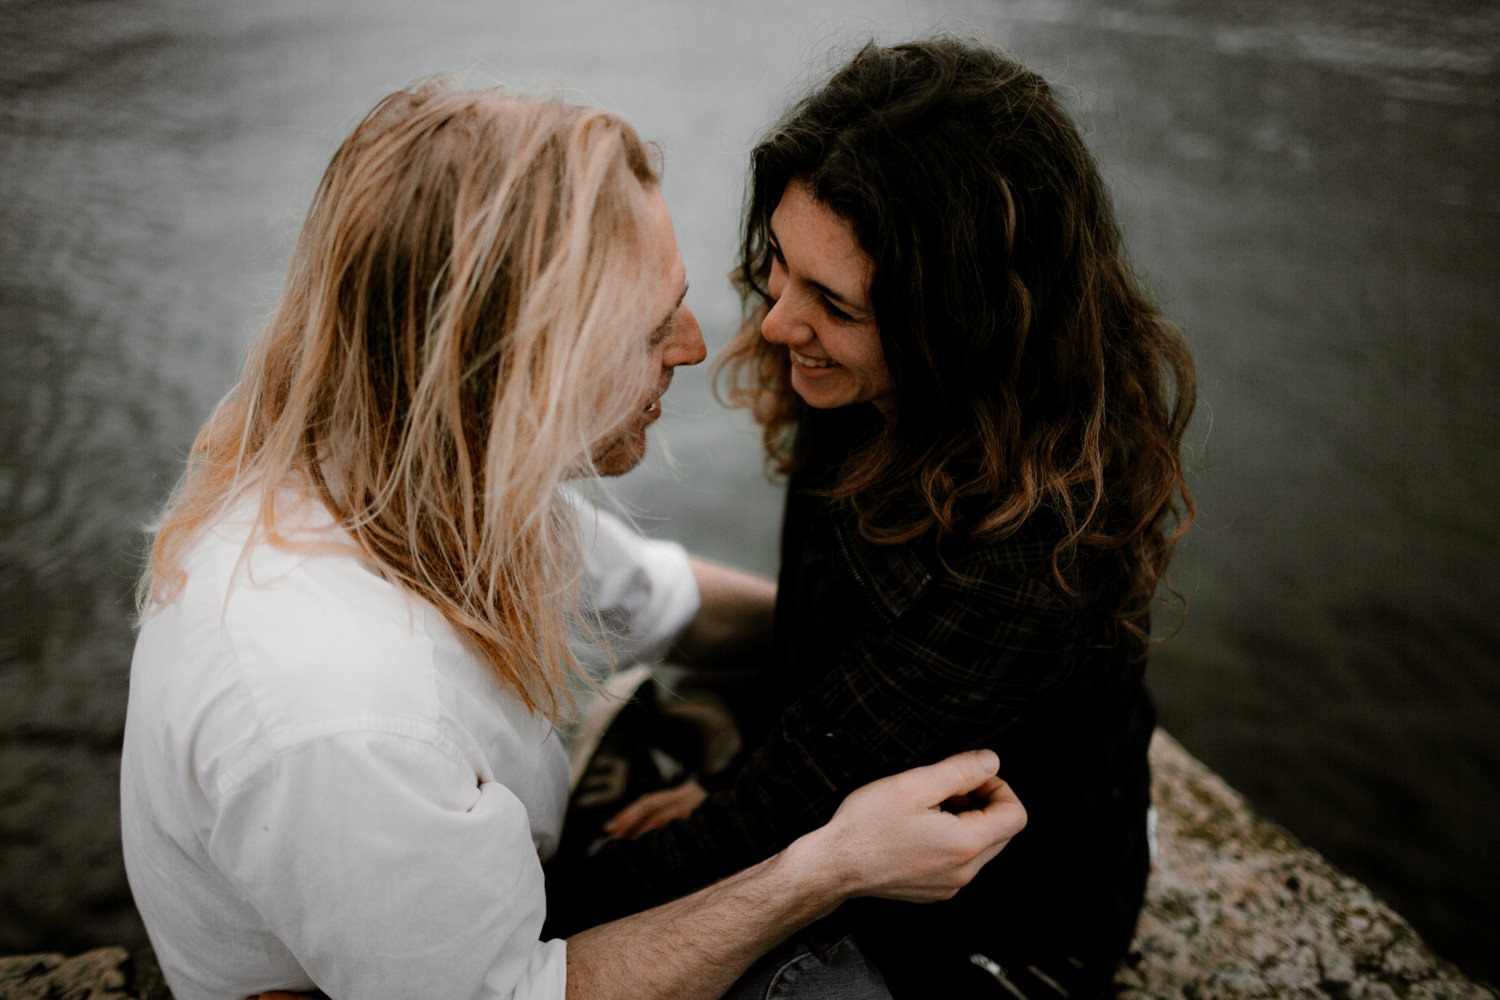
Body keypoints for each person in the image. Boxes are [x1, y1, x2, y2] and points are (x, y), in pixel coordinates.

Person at [118, 79, 1029, 1000]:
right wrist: (826, 865)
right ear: (512, 371)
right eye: (647, 329)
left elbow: (675, 610)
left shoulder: (414, 472)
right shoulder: (342, 710)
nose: (694, 346)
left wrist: (917, 658)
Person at [543, 36, 1197, 998]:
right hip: (842, 787)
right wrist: (731, 791)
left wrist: (498, 944)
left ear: (959, 325)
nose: (774, 323)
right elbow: (818, 661)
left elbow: (796, 804)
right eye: (782, 264)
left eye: (833, 303)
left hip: (998, 926)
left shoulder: (1028, 554)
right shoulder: (874, 389)